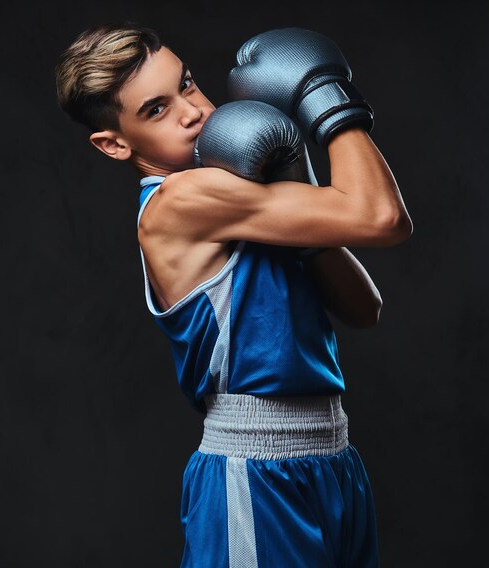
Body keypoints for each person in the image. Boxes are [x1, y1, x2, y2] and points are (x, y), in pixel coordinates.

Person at [55, 23, 413, 567]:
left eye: (188, 84)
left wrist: (298, 181)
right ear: (115, 143)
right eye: (156, 110)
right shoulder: (181, 199)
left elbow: (365, 309)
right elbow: (383, 217)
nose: (193, 111)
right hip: (255, 474)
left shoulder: (242, 193)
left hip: (333, 457)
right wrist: (329, 100)